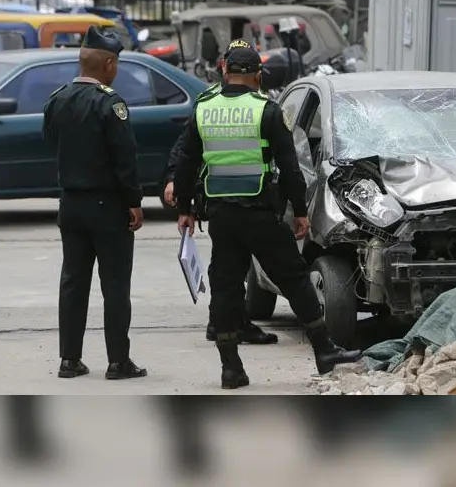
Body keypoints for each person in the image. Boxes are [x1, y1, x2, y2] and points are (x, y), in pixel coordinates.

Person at [175, 46, 361, 389]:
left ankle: (230, 368)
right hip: (260, 214)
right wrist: (301, 212)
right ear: (258, 75)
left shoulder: (204, 109)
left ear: (224, 71)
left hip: (222, 217)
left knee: (225, 288)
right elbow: (290, 168)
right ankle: (324, 350)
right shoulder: (267, 111)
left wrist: (184, 209)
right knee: (294, 279)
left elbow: (186, 163)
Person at [42, 25, 147, 381]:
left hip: (70, 204)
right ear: (109, 64)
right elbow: (125, 158)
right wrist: (134, 201)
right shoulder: (110, 103)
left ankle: (69, 360)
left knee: (73, 282)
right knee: (115, 285)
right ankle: (118, 362)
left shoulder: (57, 99)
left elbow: (50, 141)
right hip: (108, 207)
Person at [164, 39, 278, 346]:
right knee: (227, 266)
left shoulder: (260, 99)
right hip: (220, 193)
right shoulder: (209, 101)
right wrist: (175, 181)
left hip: (244, 193)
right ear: (225, 67)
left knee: (233, 265)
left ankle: (234, 321)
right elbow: (185, 149)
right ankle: (223, 322)